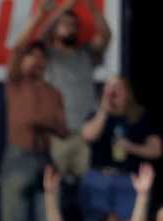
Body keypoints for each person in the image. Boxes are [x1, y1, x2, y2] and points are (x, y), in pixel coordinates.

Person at [32, 0, 112, 178]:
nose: (70, 28)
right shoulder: (49, 55)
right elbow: (41, 35)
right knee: (55, 187)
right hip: (57, 135)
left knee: (87, 189)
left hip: (86, 134)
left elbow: (106, 35)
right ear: (56, 28)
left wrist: (92, 7)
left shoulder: (87, 54)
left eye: (74, 25)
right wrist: (66, 6)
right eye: (65, 24)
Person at [0, 37, 69, 221]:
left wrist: (46, 123)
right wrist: (39, 16)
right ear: (22, 60)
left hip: (45, 157)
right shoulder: (15, 84)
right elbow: (17, 48)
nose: (37, 61)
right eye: (31, 56)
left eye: (41, 57)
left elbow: (63, 130)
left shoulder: (53, 93)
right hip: (18, 156)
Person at [80, 77, 162, 221]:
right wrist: (104, 111)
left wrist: (131, 147)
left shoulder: (140, 116)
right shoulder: (96, 115)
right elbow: (88, 136)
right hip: (98, 178)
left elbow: (156, 149)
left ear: (128, 93)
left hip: (128, 180)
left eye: (117, 88)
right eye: (109, 88)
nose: (112, 92)